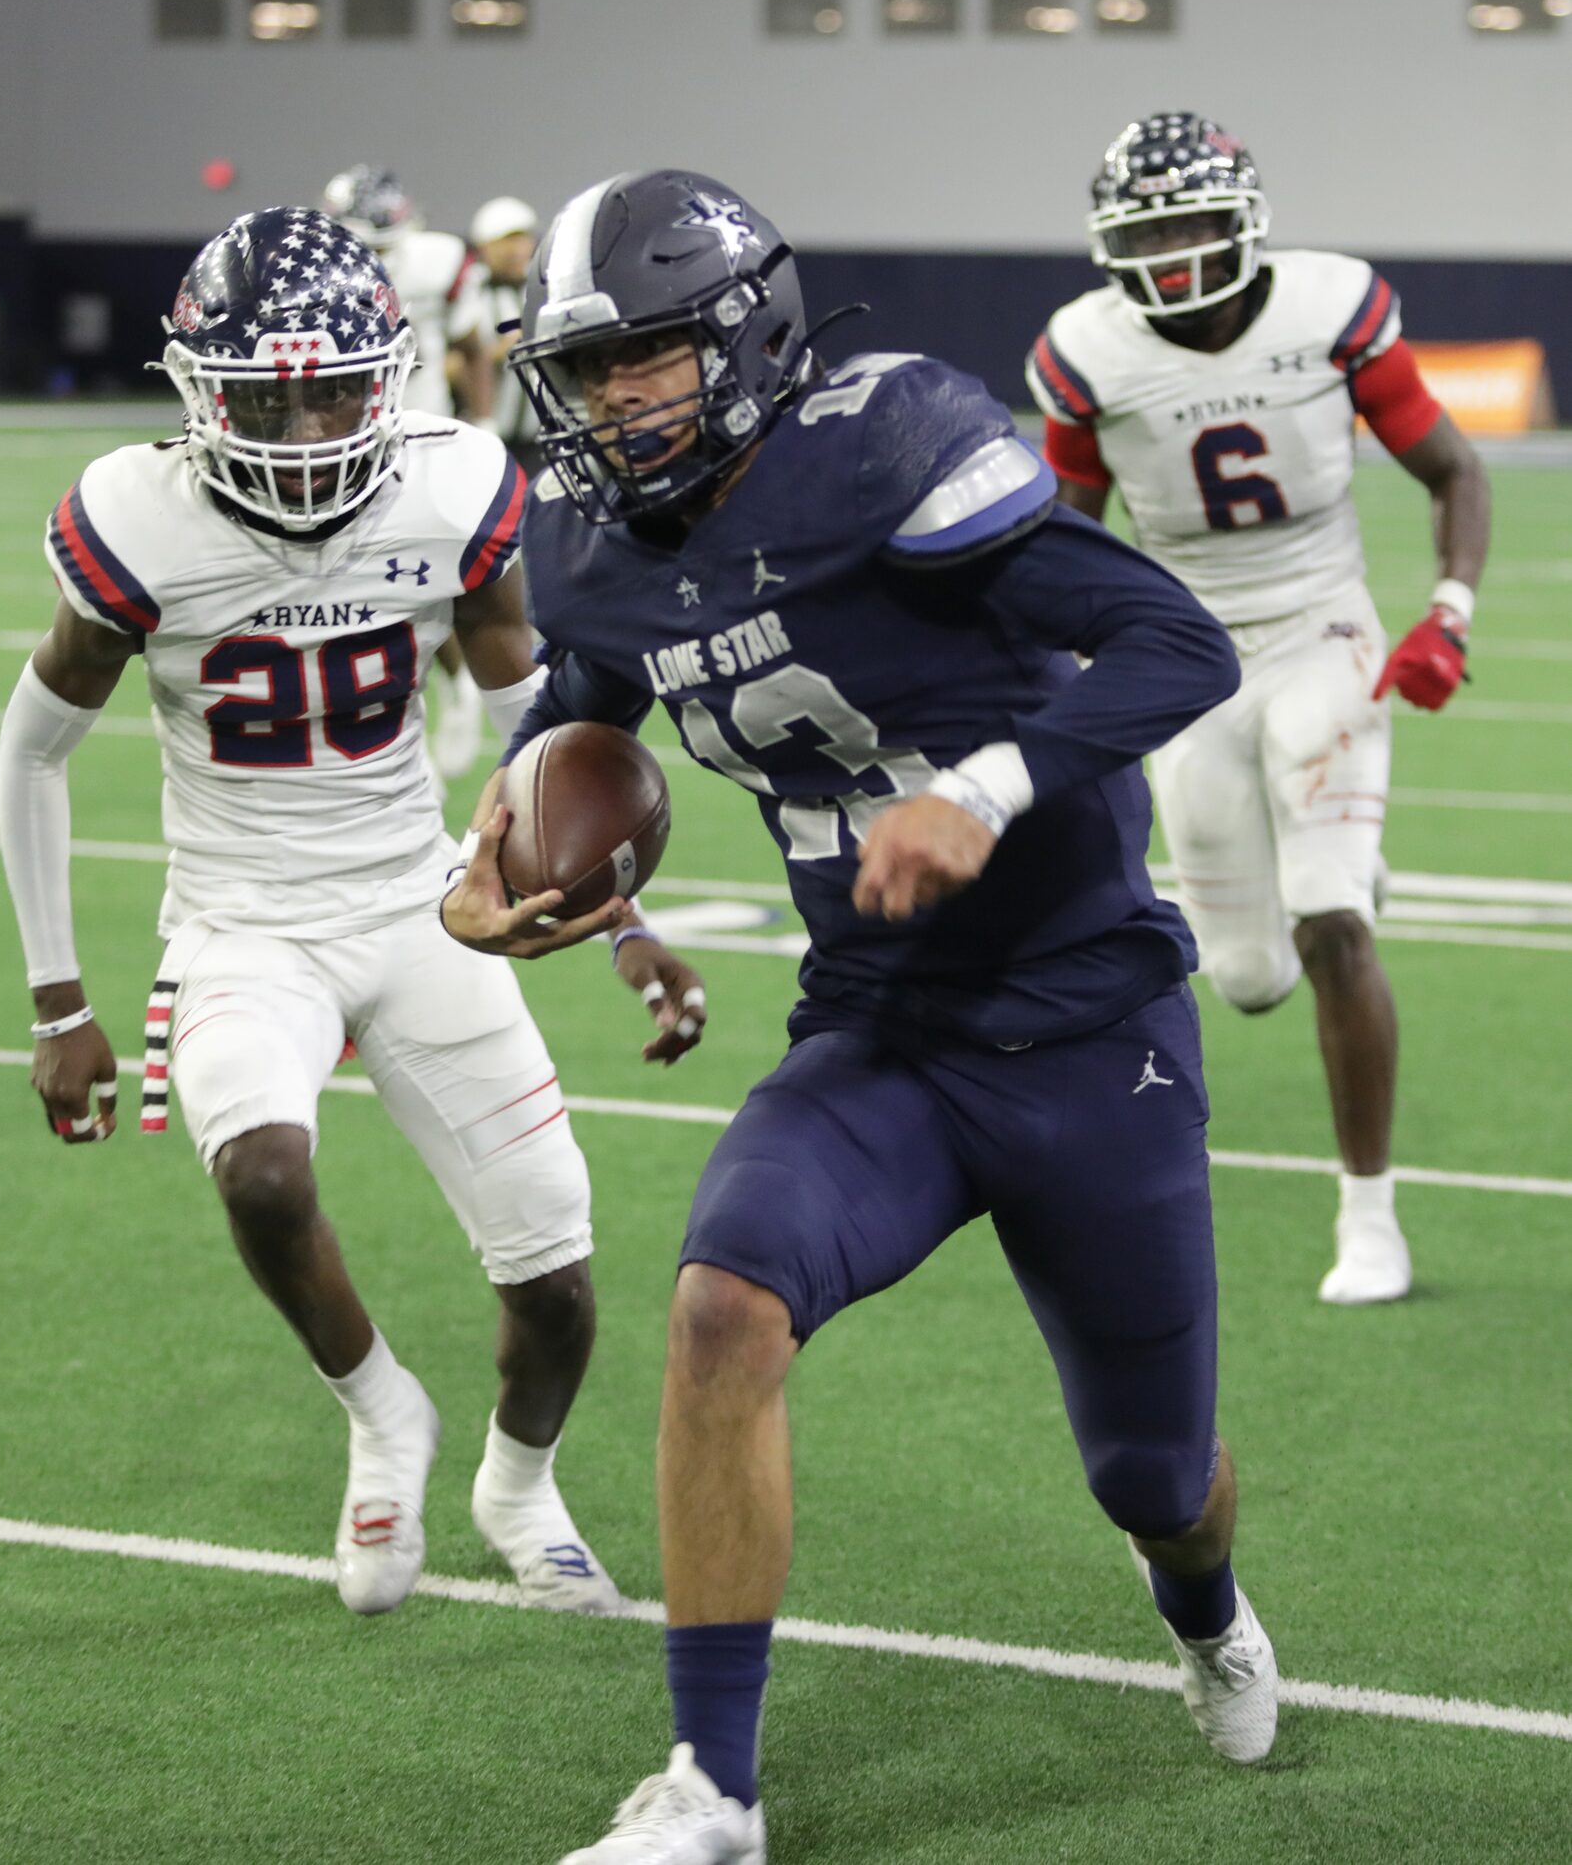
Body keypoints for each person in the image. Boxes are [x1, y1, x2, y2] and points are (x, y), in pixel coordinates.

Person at [439, 169, 1262, 1863]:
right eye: (583, 372)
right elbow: (576, 747)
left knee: (1152, 1476)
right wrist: (552, 897)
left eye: (645, 358)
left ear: (741, 334)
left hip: (1086, 1020)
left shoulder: (886, 443)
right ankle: (714, 1790)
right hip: (878, 1033)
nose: (608, 402)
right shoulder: (589, 541)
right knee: (722, 1310)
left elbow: (1178, 645)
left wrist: (986, 784)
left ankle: (1204, 1604)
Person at [0, 207, 708, 1620]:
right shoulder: (142, 521)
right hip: (242, 921)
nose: (311, 422)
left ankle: (519, 1480)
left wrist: (620, 919)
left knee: (558, 1278)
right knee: (261, 1171)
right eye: (272, 393)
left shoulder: (451, 489)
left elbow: (528, 710)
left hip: (416, 902)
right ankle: (382, 1411)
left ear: (387, 375)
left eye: (334, 387)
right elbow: (33, 747)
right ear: (203, 394)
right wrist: (59, 1000)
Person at [1028, 114, 1491, 1306]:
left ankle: (1371, 1218)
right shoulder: (1086, 352)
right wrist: (1062, 673)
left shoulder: (1329, 310)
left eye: (1194, 225)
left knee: (1330, 920)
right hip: (1181, 656)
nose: (1177, 255)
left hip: (1320, 626)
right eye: (1152, 232)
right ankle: (1331, 874)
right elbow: (1064, 536)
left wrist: (1447, 611)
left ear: (1245, 220)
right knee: (1244, 977)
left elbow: (1456, 469)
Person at [322, 164, 495, 775]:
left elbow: (474, 346)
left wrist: (485, 424)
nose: (376, 259)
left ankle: (462, 685)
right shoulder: (320, 269)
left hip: (429, 439)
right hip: (345, 445)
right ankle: (411, 707)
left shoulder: (439, 262)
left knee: (441, 579)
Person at [469, 196, 542, 473]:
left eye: (522, 239)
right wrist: (498, 352)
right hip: (488, 435)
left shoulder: (539, 287)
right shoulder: (468, 290)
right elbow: (454, 358)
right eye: (506, 241)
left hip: (539, 437)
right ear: (485, 245)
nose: (516, 250)